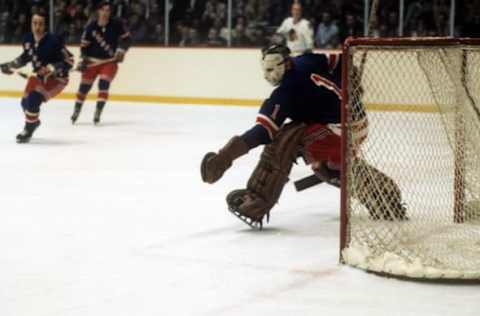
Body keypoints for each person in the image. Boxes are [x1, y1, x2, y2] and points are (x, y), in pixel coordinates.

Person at [200, 44, 407, 229]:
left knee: (286, 137)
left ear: (284, 64)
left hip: (338, 130)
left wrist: (225, 157)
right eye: (265, 70)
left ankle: (258, 199)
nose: (267, 75)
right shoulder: (305, 60)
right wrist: (350, 78)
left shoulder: (286, 92)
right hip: (357, 123)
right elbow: (339, 60)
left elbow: (263, 132)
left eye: (271, 69)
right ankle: (382, 194)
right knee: (324, 166)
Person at [0, 8, 73, 143]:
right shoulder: (27, 39)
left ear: (45, 26)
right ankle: (34, 122)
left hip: (57, 79)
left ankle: (28, 129)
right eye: (35, 23)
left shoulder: (54, 41)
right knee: (25, 103)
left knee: (33, 98)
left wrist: (52, 68)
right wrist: (10, 66)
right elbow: (25, 57)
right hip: (39, 77)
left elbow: (70, 60)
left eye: (40, 24)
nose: (37, 27)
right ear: (31, 24)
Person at [71, 0, 131, 125]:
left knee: (104, 84)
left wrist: (121, 50)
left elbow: (127, 39)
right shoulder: (90, 27)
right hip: (92, 62)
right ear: (98, 11)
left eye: (107, 10)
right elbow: (84, 47)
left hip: (109, 62)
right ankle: (77, 110)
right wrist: (83, 59)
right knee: (83, 89)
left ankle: (98, 112)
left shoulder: (117, 24)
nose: (105, 13)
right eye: (103, 10)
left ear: (110, 13)